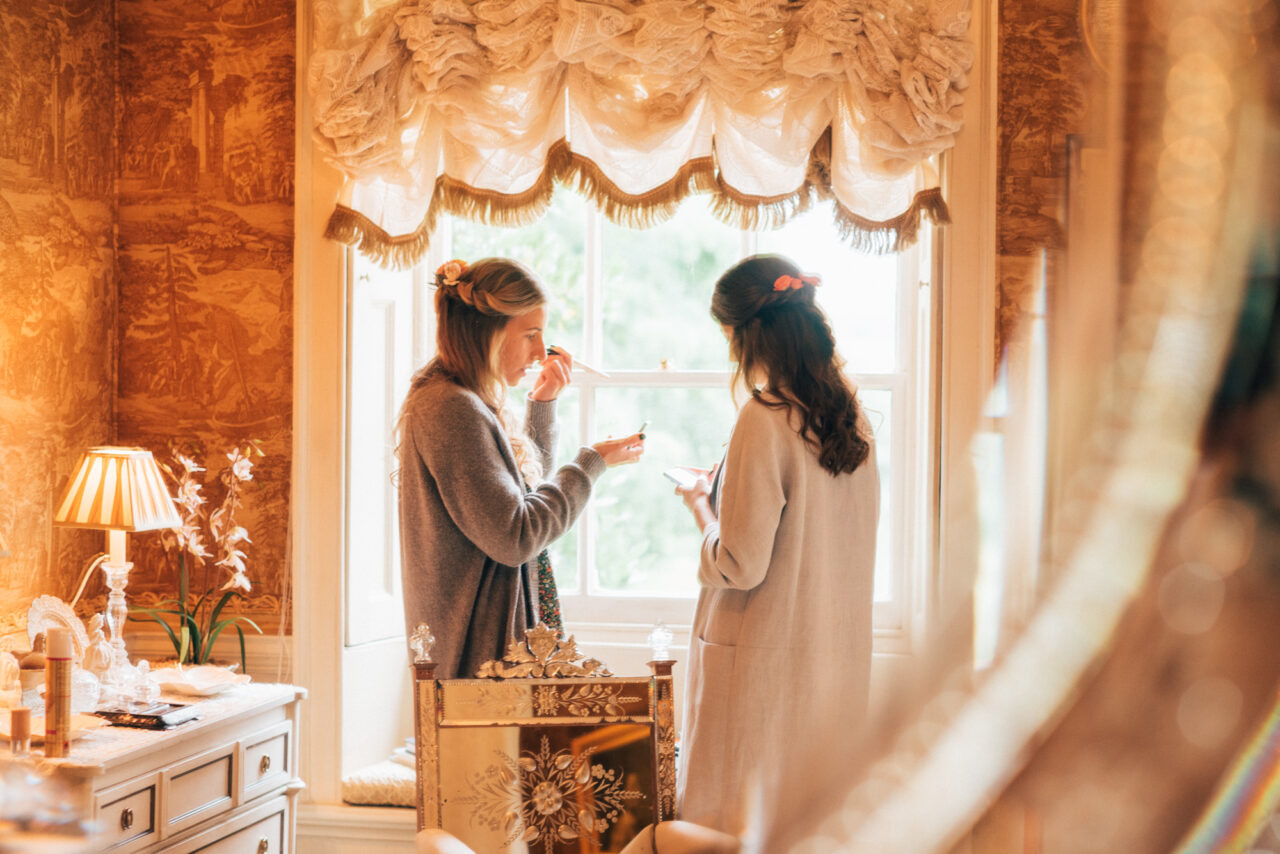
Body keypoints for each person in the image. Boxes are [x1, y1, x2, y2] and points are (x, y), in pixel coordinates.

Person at [673, 254, 880, 852]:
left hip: (762, 666)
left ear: (745, 336)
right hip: (832, 664)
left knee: (732, 831)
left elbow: (741, 563)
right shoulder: (853, 419)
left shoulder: (764, 417)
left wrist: (701, 508)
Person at [397, 257, 644, 679]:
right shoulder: (451, 407)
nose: (539, 351)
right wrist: (591, 464)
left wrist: (543, 403)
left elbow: (520, 492)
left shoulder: (467, 398)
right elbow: (516, 534)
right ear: (485, 332)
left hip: (491, 646)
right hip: (483, 655)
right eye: (530, 335)